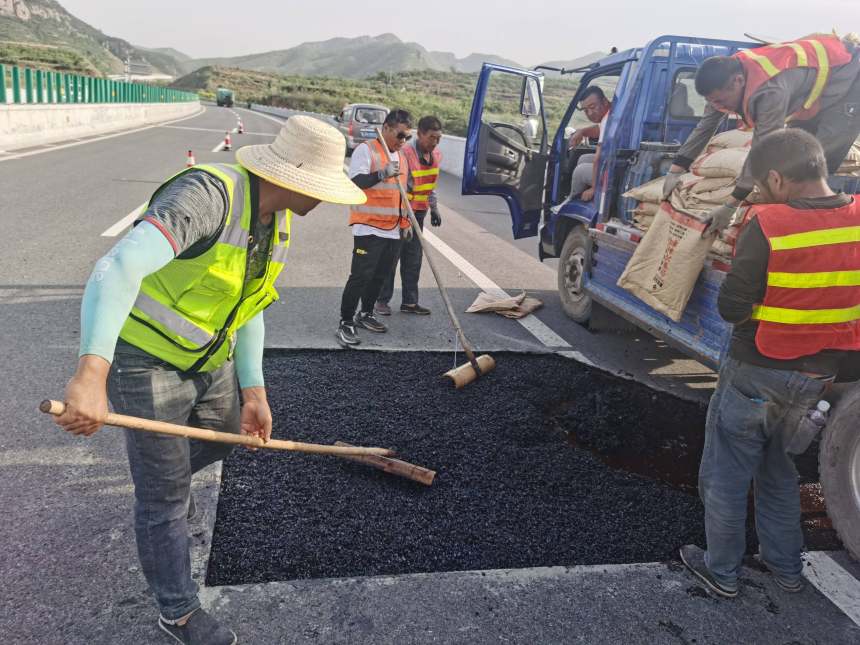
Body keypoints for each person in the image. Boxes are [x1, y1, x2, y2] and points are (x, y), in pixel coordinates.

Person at [52, 116, 365, 644]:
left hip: (208, 360)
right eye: (323, 186)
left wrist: (254, 391)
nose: (329, 200)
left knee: (225, 434)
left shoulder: (277, 221)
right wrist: (91, 373)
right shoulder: (206, 196)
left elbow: (249, 308)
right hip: (144, 359)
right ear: (291, 176)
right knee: (166, 498)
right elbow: (118, 266)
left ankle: (164, 483)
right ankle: (176, 611)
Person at [680, 129, 860, 598]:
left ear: (777, 178)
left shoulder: (771, 223)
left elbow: (732, 307)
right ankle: (786, 571)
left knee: (725, 474)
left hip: (758, 371)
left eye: (762, 183)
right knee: (779, 474)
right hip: (818, 379)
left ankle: (720, 572)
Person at [662, 33, 860, 236]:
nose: (718, 107)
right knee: (795, 153)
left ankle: (816, 226)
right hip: (817, 89)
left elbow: (762, 150)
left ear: (738, 81)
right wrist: (676, 170)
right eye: (713, 102)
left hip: (852, 74)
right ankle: (787, 213)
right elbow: (706, 124)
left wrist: (731, 205)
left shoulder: (769, 91)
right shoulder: (723, 85)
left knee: (816, 159)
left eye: (720, 102)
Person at [336, 109, 413, 346]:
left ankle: (366, 313)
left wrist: (406, 222)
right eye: (400, 135)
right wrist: (381, 173)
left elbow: (401, 194)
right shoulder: (366, 150)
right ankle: (346, 321)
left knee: (380, 276)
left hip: (392, 228)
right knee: (360, 276)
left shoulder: (401, 156)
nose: (402, 141)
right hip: (368, 227)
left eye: (407, 137)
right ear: (387, 128)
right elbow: (356, 182)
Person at [375, 115, 443, 317]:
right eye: (431, 137)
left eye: (438, 138)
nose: (435, 142)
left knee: (413, 260)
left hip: (419, 214)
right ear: (420, 134)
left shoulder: (436, 154)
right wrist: (404, 220)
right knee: (391, 259)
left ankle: (410, 302)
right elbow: (399, 189)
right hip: (402, 213)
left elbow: (430, 184)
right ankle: (381, 300)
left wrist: (434, 208)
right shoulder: (404, 154)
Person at [553, 86, 612, 211]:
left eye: (592, 107)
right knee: (584, 158)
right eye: (585, 110)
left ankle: (570, 200)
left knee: (580, 171)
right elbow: (599, 129)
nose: (589, 113)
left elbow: (599, 158)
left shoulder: (609, 120)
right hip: (615, 162)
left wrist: (595, 188)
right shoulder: (612, 113)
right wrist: (582, 131)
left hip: (614, 172)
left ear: (605, 101)